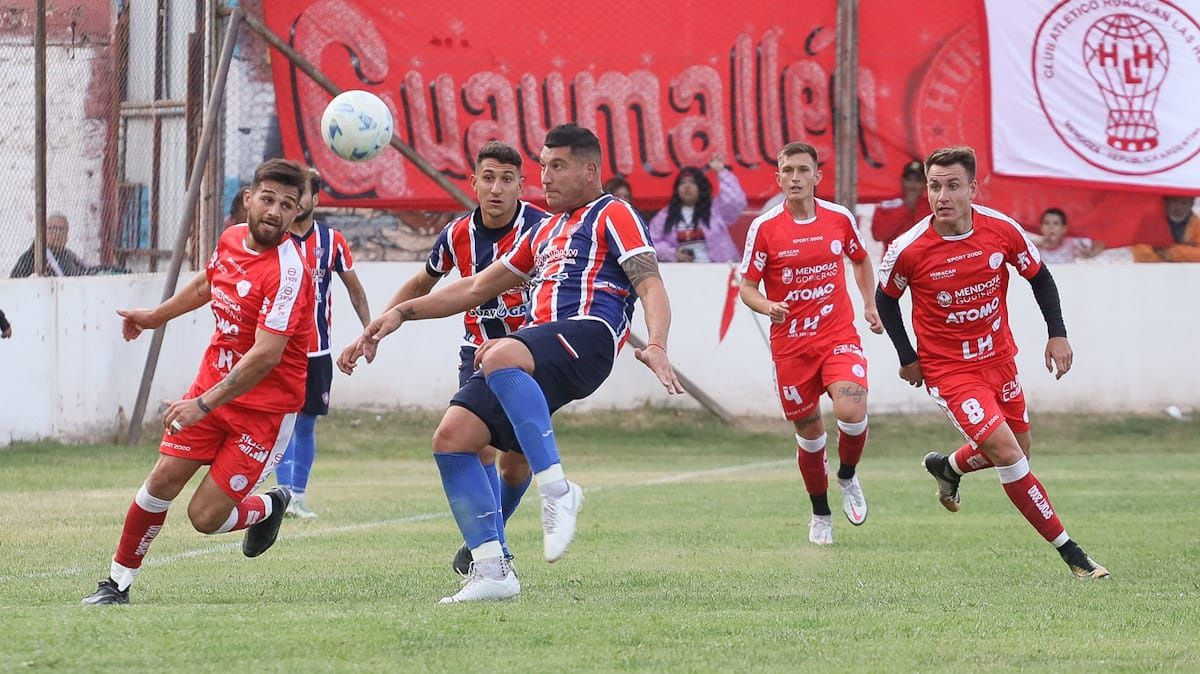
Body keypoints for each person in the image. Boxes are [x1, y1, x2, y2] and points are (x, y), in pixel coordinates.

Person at [339, 124, 683, 604]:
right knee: (452, 439)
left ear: (590, 169)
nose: (546, 176)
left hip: (589, 336)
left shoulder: (613, 212)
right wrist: (398, 313)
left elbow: (649, 283)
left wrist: (660, 343)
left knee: (499, 353)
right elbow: (476, 288)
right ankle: (492, 570)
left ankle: (558, 491)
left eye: (557, 166)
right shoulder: (544, 231)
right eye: (543, 166)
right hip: (535, 352)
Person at [81, 159, 314, 605]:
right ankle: (116, 584)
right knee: (161, 480)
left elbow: (265, 355)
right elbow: (209, 282)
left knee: (205, 517)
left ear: (296, 213)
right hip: (212, 391)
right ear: (248, 200)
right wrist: (154, 316)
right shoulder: (228, 240)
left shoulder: (288, 272)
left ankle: (271, 504)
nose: (274, 211)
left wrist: (201, 405)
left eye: (287, 205)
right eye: (267, 199)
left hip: (262, 412)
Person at [875, 145, 1109, 579]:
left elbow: (1039, 276)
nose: (941, 196)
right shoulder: (908, 248)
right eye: (933, 186)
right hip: (950, 372)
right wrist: (908, 358)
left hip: (999, 360)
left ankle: (948, 467)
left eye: (952, 186)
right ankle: (1074, 556)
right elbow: (885, 301)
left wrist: (1057, 333)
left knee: (1018, 449)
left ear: (973, 189)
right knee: (1007, 454)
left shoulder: (1001, 230)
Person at [348, 140, 544, 572]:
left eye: (506, 180)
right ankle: (492, 549)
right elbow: (422, 284)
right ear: (473, 183)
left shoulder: (543, 230)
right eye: (488, 178)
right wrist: (375, 328)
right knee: (474, 449)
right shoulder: (456, 235)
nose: (496, 188)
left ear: (521, 186)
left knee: (517, 464)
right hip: (476, 354)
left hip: (530, 355)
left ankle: (495, 533)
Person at [739, 142, 883, 546]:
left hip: (837, 336)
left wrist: (869, 303)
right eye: (788, 171)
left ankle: (849, 476)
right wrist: (768, 306)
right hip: (791, 347)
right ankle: (820, 513)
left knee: (852, 410)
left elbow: (859, 258)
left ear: (818, 177)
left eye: (804, 170)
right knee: (810, 434)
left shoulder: (839, 218)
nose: (796, 178)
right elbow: (747, 287)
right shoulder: (765, 228)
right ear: (779, 178)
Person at [274, 169, 371, 519]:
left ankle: (297, 496)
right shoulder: (275, 238)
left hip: (317, 350)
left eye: (301, 193)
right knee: (281, 421)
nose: (295, 199)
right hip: (277, 348)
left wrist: (368, 331)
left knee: (306, 423)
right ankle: (281, 494)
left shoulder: (332, 241)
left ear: (315, 199)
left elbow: (354, 288)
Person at [647, 154, 747, 262]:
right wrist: (673, 254)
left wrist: (721, 171)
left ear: (701, 187)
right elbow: (651, 243)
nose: (687, 186)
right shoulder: (665, 216)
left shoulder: (715, 210)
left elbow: (735, 201)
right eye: (682, 183)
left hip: (718, 270)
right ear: (677, 189)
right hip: (678, 272)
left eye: (693, 183)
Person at [871, 160, 932, 256]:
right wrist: (905, 208)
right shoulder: (887, 204)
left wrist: (913, 207)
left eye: (917, 181)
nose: (912, 185)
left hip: (925, 261)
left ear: (925, 184)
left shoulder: (932, 205)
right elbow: (878, 235)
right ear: (902, 181)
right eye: (909, 179)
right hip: (894, 261)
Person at [11, 213, 98, 277]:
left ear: (67, 235)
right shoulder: (31, 257)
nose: (57, 233)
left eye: (61, 229)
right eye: (52, 228)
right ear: (44, 232)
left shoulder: (70, 256)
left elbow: (87, 272)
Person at [1132, 195, 1200, 262]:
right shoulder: (1148, 223)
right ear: (1166, 202)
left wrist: (1168, 252)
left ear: (1191, 205)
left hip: (1188, 272)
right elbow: (1142, 255)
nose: (1178, 207)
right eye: (1174, 201)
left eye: (1184, 203)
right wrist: (1187, 252)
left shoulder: (1197, 225)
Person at [1035, 208, 1103, 263]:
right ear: (1041, 228)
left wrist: (1091, 254)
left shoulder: (1071, 243)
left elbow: (1100, 243)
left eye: (1056, 223)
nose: (1051, 227)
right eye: (1047, 223)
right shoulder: (1035, 247)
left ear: (1064, 229)